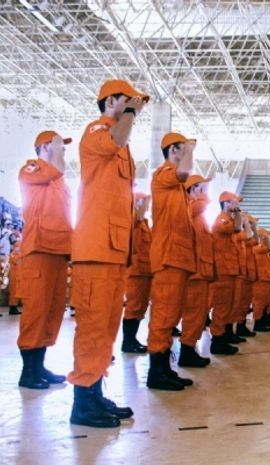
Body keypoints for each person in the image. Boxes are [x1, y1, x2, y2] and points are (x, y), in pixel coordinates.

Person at [69, 79, 147, 428]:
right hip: (97, 248)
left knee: (107, 327)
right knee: (93, 327)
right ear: (111, 101)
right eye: (127, 100)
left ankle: (95, 392)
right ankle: (83, 403)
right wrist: (129, 112)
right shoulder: (97, 131)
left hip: (115, 250)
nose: (134, 107)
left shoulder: (120, 140)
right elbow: (115, 139)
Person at [16, 131, 72, 390]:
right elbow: (54, 170)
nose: (64, 149)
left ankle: (39, 366)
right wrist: (56, 151)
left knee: (52, 311)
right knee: (36, 310)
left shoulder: (60, 181)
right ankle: (28, 372)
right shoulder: (32, 168)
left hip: (59, 250)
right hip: (38, 249)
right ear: (46, 146)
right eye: (59, 145)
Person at [146, 132, 197, 391]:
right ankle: (156, 372)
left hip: (178, 257)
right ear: (174, 150)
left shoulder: (176, 185)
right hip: (168, 256)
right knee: (164, 313)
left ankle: (165, 368)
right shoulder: (163, 173)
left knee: (172, 314)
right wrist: (189, 149)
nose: (188, 153)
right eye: (183, 148)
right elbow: (184, 172)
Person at [178, 174, 214, 368]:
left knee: (198, 314)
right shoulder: (190, 208)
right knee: (193, 313)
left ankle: (190, 348)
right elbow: (198, 205)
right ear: (192, 190)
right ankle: (187, 351)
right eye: (200, 188)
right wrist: (203, 191)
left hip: (202, 272)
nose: (204, 193)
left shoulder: (200, 215)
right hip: (196, 273)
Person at [210, 191, 245, 354]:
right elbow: (237, 227)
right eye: (234, 202)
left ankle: (223, 337)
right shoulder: (221, 220)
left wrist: (236, 212)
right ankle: (217, 341)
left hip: (229, 270)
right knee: (222, 306)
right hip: (222, 271)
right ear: (226, 203)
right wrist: (237, 212)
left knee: (228, 306)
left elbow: (237, 228)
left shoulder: (228, 220)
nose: (237, 205)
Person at [121, 193, 152, 354]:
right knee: (133, 306)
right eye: (144, 202)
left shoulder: (145, 223)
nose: (148, 205)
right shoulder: (132, 218)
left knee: (141, 307)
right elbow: (136, 217)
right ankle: (127, 342)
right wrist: (139, 204)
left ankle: (132, 339)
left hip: (145, 270)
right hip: (135, 271)